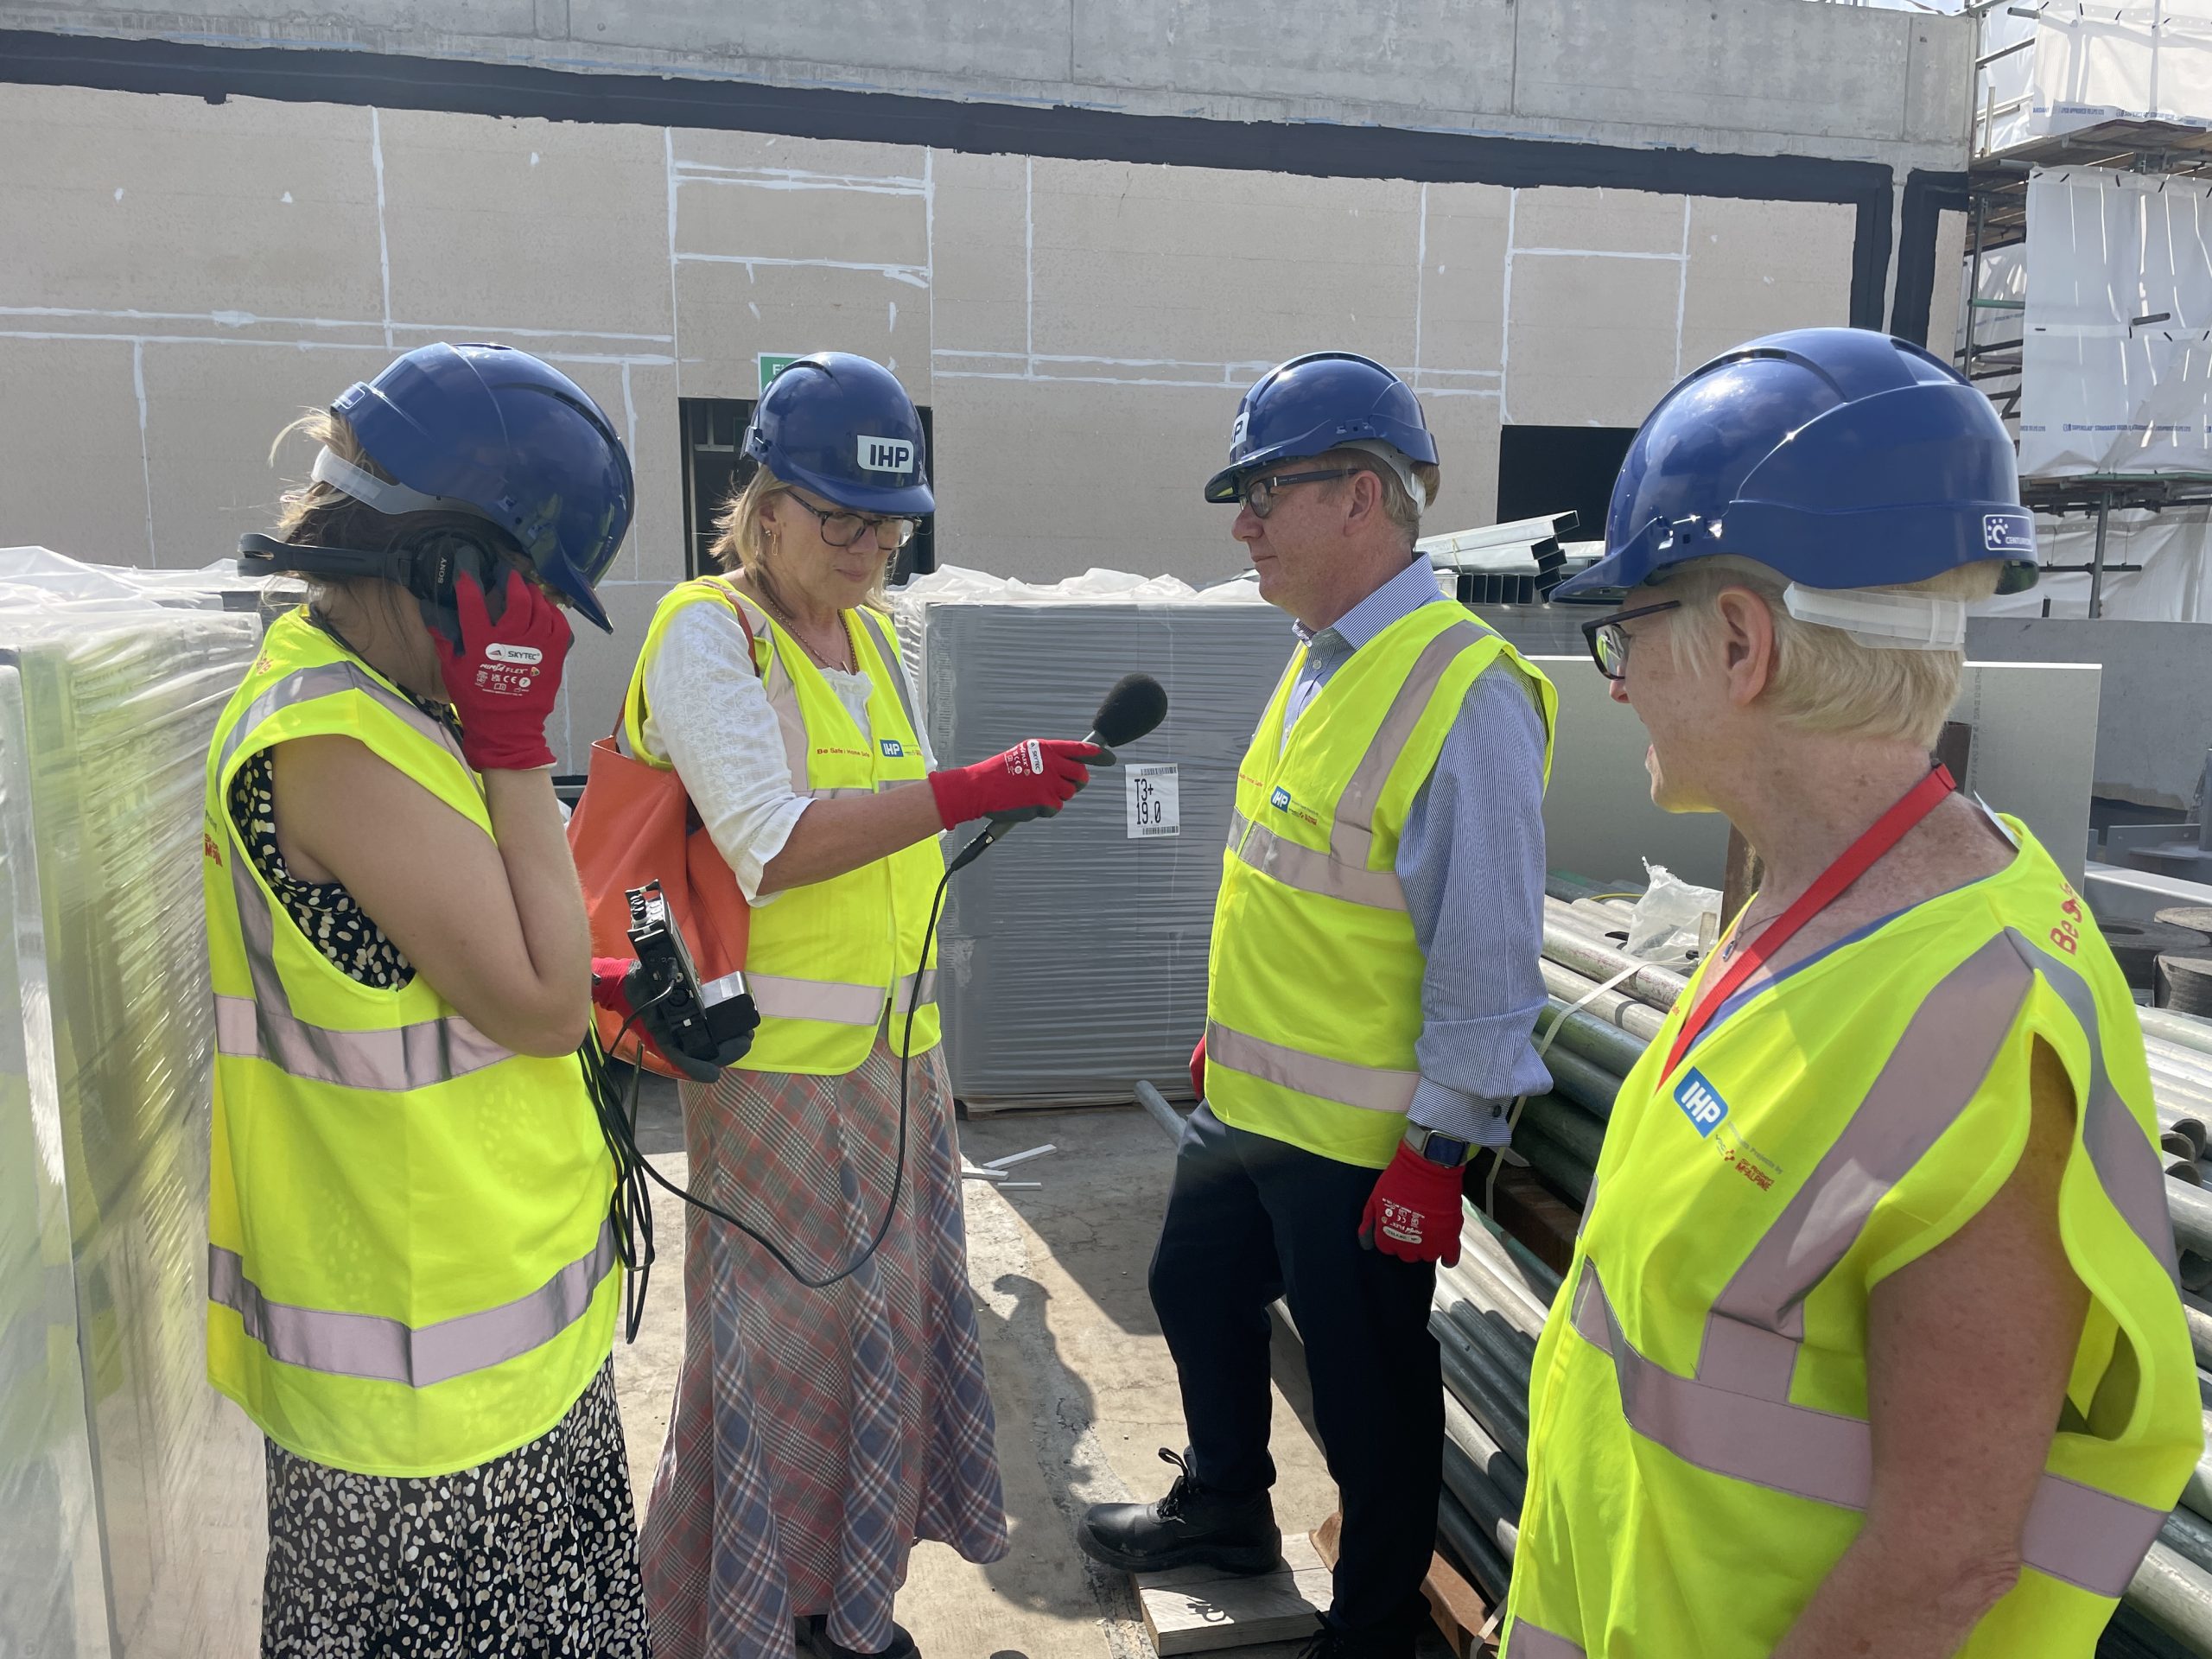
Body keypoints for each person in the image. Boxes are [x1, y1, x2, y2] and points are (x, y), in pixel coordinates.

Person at [1502, 327, 2201, 1658]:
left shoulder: (1977, 1018)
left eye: (1623, 633)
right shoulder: (1817, 901)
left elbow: (1943, 1563)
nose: (1620, 679)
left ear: (1740, 644)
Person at [1079, 353, 1559, 1658]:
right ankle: (1228, 1506)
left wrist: (1438, 1151)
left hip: (1363, 1148)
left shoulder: (1464, 694)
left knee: (1369, 1399)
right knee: (1191, 1288)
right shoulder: (1320, 659)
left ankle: (1375, 1619)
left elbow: (1484, 957)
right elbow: (1291, 881)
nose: (1240, 524)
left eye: (1261, 493)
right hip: (1250, 1102)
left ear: (1358, 496)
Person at [627, 352, 1099, 1659]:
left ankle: (844, 1604)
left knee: (879, 1349)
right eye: (839, 516)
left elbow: (887, 838)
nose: (869, 546)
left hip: (896, 1073)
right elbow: (770, 841)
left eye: (889, 522)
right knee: (777, 1371)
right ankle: (757, 1618)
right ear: (763, 504)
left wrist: (987, 793)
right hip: (775, 1079)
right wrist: (970, 789)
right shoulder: (706, 632)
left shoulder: (875, 642)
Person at [203, 342, 649, 1656]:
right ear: (451, 569)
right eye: (529, 592)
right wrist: (518, 750)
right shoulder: (334, 743)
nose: (542, 630)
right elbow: (537, 1003)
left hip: (498, 1365)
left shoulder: (393, 705)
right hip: (425, 1431)